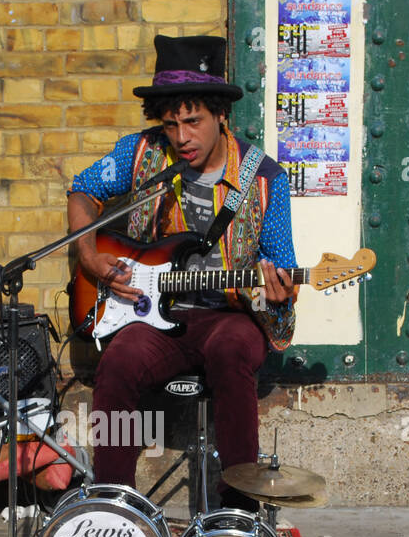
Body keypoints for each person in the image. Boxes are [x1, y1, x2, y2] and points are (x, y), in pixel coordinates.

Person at [67, 34, 298, 507]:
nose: (181, 137)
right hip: (151, 315)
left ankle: (236, 509)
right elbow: (82, 191)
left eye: (193, 122)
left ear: (220, 115)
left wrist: (280, 293)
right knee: (118, 364)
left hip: (229, 315)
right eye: (171, 124)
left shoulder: (264, 179)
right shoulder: (140, 154)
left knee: (234, 352)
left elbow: (282, 265)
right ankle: (113, 505)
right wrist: (90, 258)